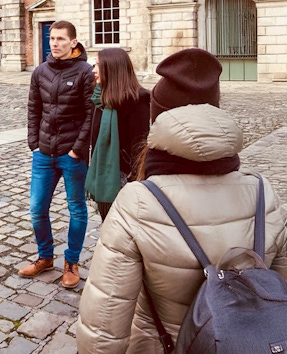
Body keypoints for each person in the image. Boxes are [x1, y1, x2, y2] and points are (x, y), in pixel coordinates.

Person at [77, 48, 287, 353]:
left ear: (158, 118)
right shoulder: (263, 192)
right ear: (215, 110)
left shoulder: (138, 201)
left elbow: (103, 331)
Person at [19, 20, 95, 289]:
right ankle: (45, 257)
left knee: (77, 209)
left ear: (73, 42)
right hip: (43, 154)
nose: (55, 43)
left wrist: (77, 149)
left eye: (61, 39)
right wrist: (34, 143)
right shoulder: (40, 72)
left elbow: (90, 115)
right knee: (37, 208)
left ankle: (71, 262)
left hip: (71, 155)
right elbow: (33, 109)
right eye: (52, 38)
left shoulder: (86, 72)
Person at [85, 48, 150, 221]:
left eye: (98, 65)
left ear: (112, 68)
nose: (93, 70)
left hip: (123, 179)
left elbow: (139, 146)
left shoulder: (137, 100)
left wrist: (134, 182)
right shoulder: (99, 98)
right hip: (103, 175)